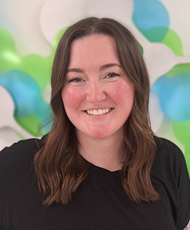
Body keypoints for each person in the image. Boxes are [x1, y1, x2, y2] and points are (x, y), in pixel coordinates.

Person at [0, 17, 189, 230]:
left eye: (110, 74)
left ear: (136, 83)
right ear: (60, 91)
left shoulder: (168, 162)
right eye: (76, 79)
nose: (95, 95)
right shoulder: (12, 169)